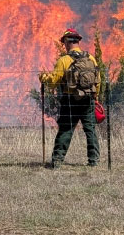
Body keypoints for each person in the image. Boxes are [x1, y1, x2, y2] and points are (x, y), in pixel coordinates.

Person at [39, 28, 101, 168]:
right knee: (90, 129)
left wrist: (43, 78)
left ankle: (57, 161)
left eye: (64, 42)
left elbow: (54, 81)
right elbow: (98, 80)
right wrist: (95, 97)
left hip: (70, 99)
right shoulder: (91, 58)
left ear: (67, 42)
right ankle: (94, 160)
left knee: (66, 129)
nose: (64, 45)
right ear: (78, 41)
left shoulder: (64, 60)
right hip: (88, 99)